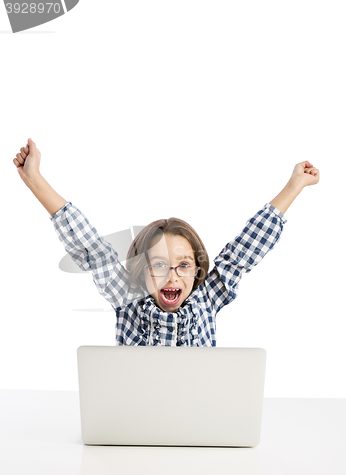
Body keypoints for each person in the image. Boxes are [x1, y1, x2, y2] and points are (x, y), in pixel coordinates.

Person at [13, 138, 320, 347]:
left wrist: (295, 185)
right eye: (158, 265)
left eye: (183, 265)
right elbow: (93, 249)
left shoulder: (207, 299)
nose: (172, 275)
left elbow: (245, 249)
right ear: (141, 270)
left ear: (197, 271)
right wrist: (34, 180)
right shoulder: (128, 299)